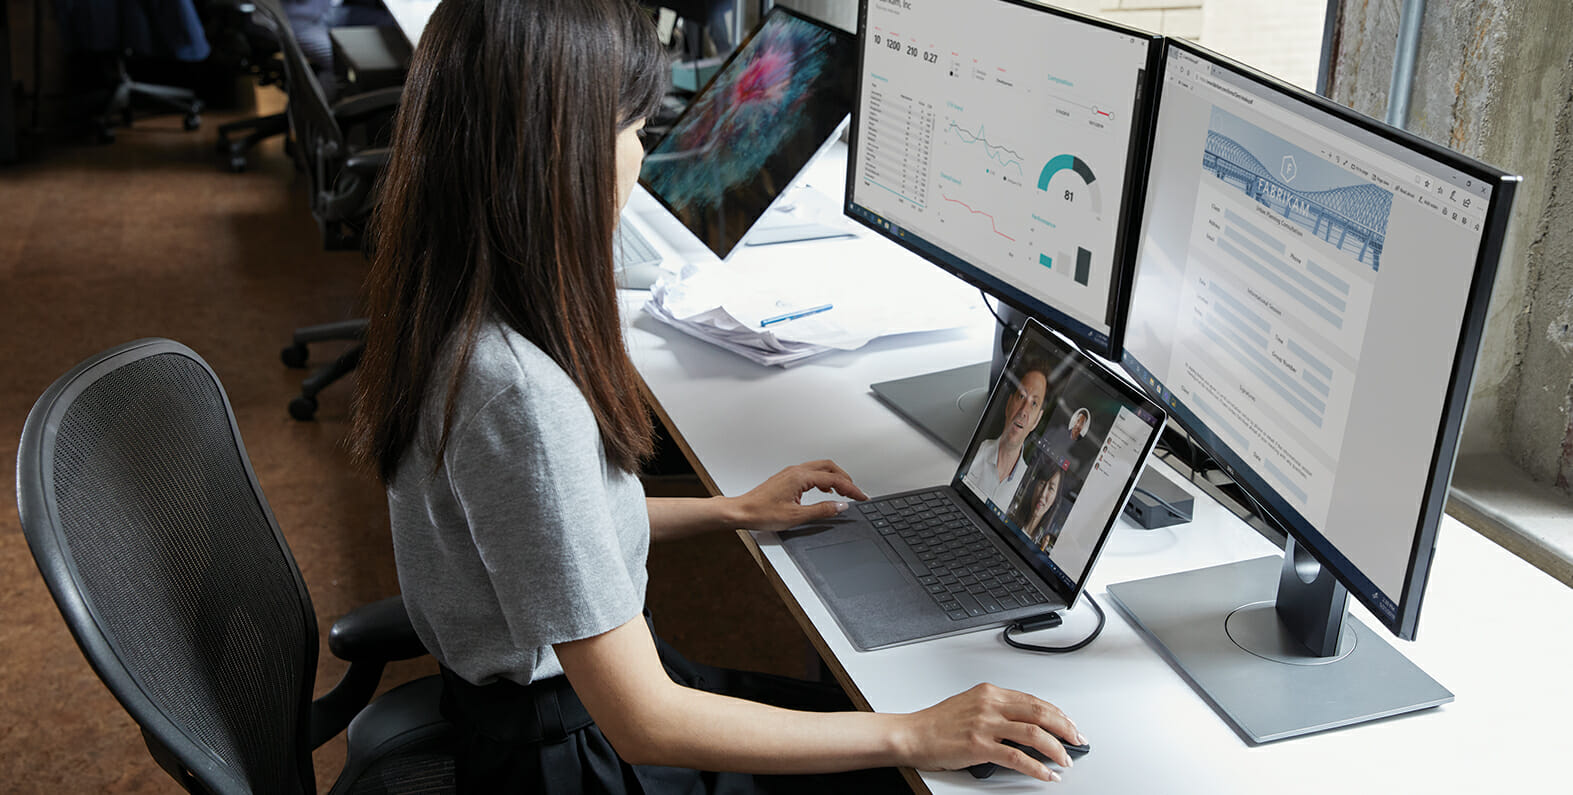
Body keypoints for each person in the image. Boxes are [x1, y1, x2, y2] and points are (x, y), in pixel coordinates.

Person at [349, 1, 1086, 791]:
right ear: (559, 155)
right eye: (632, 129)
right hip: (577, 753)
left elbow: (544, 531)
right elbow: (645, 723)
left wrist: (731, 509)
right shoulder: (520, 394)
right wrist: (914, 731)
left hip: (560, 702)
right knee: (907, 764)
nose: (640, 153)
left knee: (853, 717)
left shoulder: (450, 298)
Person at [962, 363, 1049, 510]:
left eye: (1034, 403)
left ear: (1037, 420)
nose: (1023, 411)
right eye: (1021, 396)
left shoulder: (1026, 485)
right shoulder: (976, 449)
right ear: (1009, 404)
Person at [1014, 468, 1066, 551]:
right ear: (1034, 486)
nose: (1043, 494)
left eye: (1051, 488)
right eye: (1042, 483)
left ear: (1055, 500)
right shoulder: (1010, 520)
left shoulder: (1042, 546)